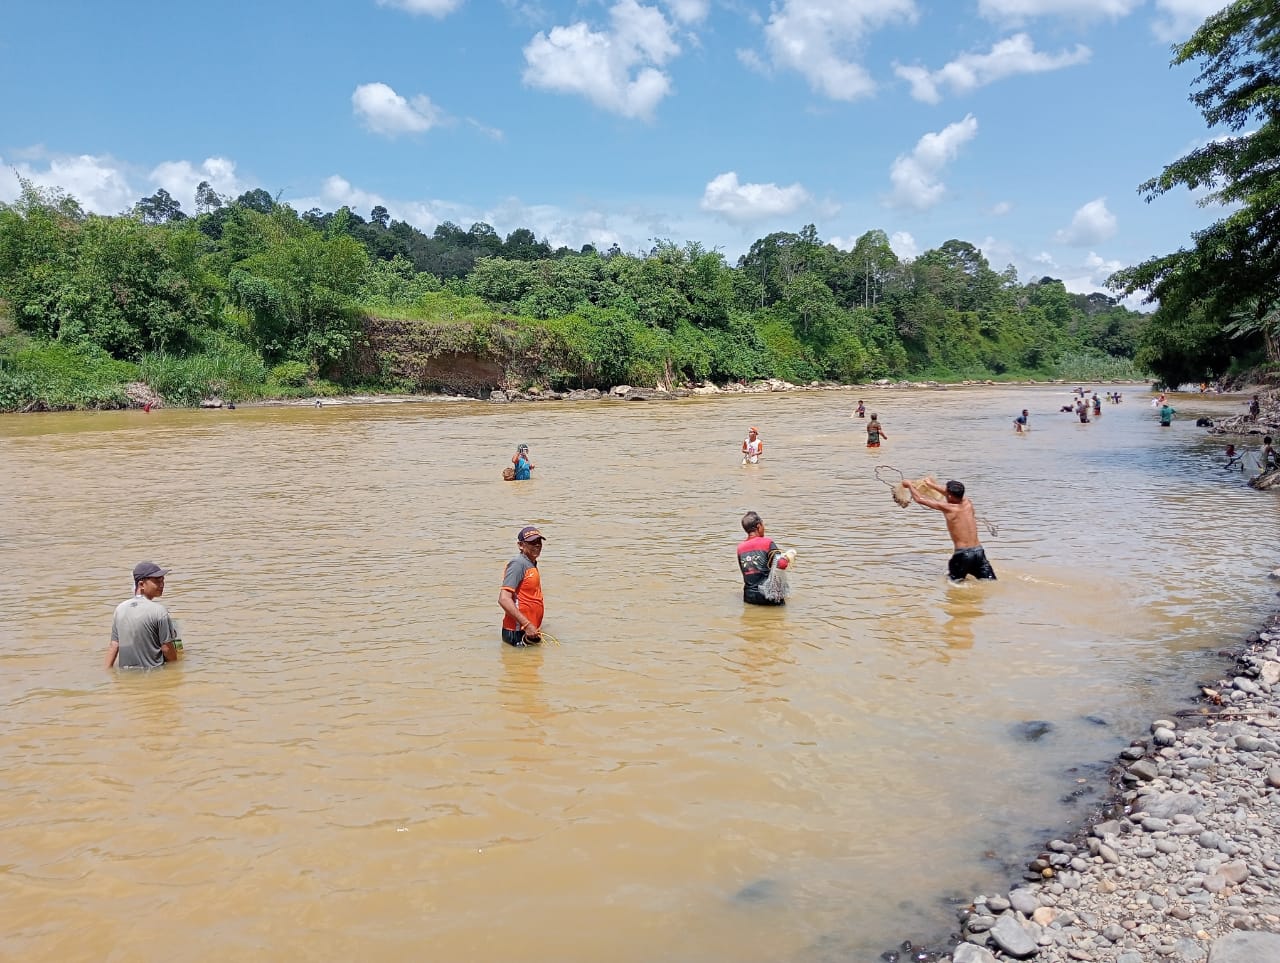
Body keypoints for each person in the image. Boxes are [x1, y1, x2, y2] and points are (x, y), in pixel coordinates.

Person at [903, 479, 997, 581]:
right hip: (979, 552)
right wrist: (931, 485)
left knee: (954, 585)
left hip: (963, 555)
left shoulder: (948, 508)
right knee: (991, 582)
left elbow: (920, 499)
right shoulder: (967, 502)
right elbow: (949, 493)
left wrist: (909, 485)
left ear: (950, 495)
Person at [104, 561, 182, 669]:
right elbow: (166, 649)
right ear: (141, 584)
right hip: (154, 675)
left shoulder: (120, 609)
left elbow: (114, 645)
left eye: (162, 580)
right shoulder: (160, 611)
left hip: (127, 677)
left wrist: (107, 672)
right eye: (157, 581)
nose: (162, 584)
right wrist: (176, 669)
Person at [499, 526, 545, 646]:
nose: (537, 545)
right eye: (532, 542)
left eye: (539, 542)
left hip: (529, 631)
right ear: (521, 545)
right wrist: (527, 625)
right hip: (518, 632)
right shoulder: (518, 564)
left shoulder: (531, 563)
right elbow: (504, 599)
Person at [736, 511, 789, 606]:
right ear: (758, 526)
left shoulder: (740, 548)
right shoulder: (767, 543)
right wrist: (787, 557)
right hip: (768, 596)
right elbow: (782, 564)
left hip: (749, 597)